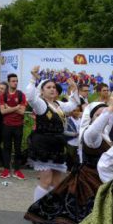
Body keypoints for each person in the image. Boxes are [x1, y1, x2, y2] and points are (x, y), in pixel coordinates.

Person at [25, 98, 113, 224]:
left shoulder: (107, 135)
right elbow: (97, 127)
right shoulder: (90, 134)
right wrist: (108, 110)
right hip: (91, 179)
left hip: (104, 179)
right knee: (90, 215)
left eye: (104, 114)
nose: (102, 117)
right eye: (97, 115)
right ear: (91, 118)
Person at [25, 66, 80, 201]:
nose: (52, 89)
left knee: (57, 182)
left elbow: (74, 104)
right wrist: (33, 78)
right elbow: (30, 98)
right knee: (46, 181)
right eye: (48, 87)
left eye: (54, 87)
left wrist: (74, 88)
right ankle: (36, 210)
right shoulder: (41, 104)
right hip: (43, 144)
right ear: (42, 91)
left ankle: (51, 208)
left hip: (57, 145)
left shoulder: (59, 104)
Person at [0, 73, 28, 180]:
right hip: (6, 126)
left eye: (16, 81)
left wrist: (9, 108)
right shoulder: (3, 95)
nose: (15, 83)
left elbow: (22, 112)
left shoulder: (21, 95)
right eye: (13, 81)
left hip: (18, 126)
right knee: (6, 148)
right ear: (8, 82)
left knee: (18, 149)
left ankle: (17, 170)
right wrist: (16, 107)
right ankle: (6, 169)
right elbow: (2, 111)